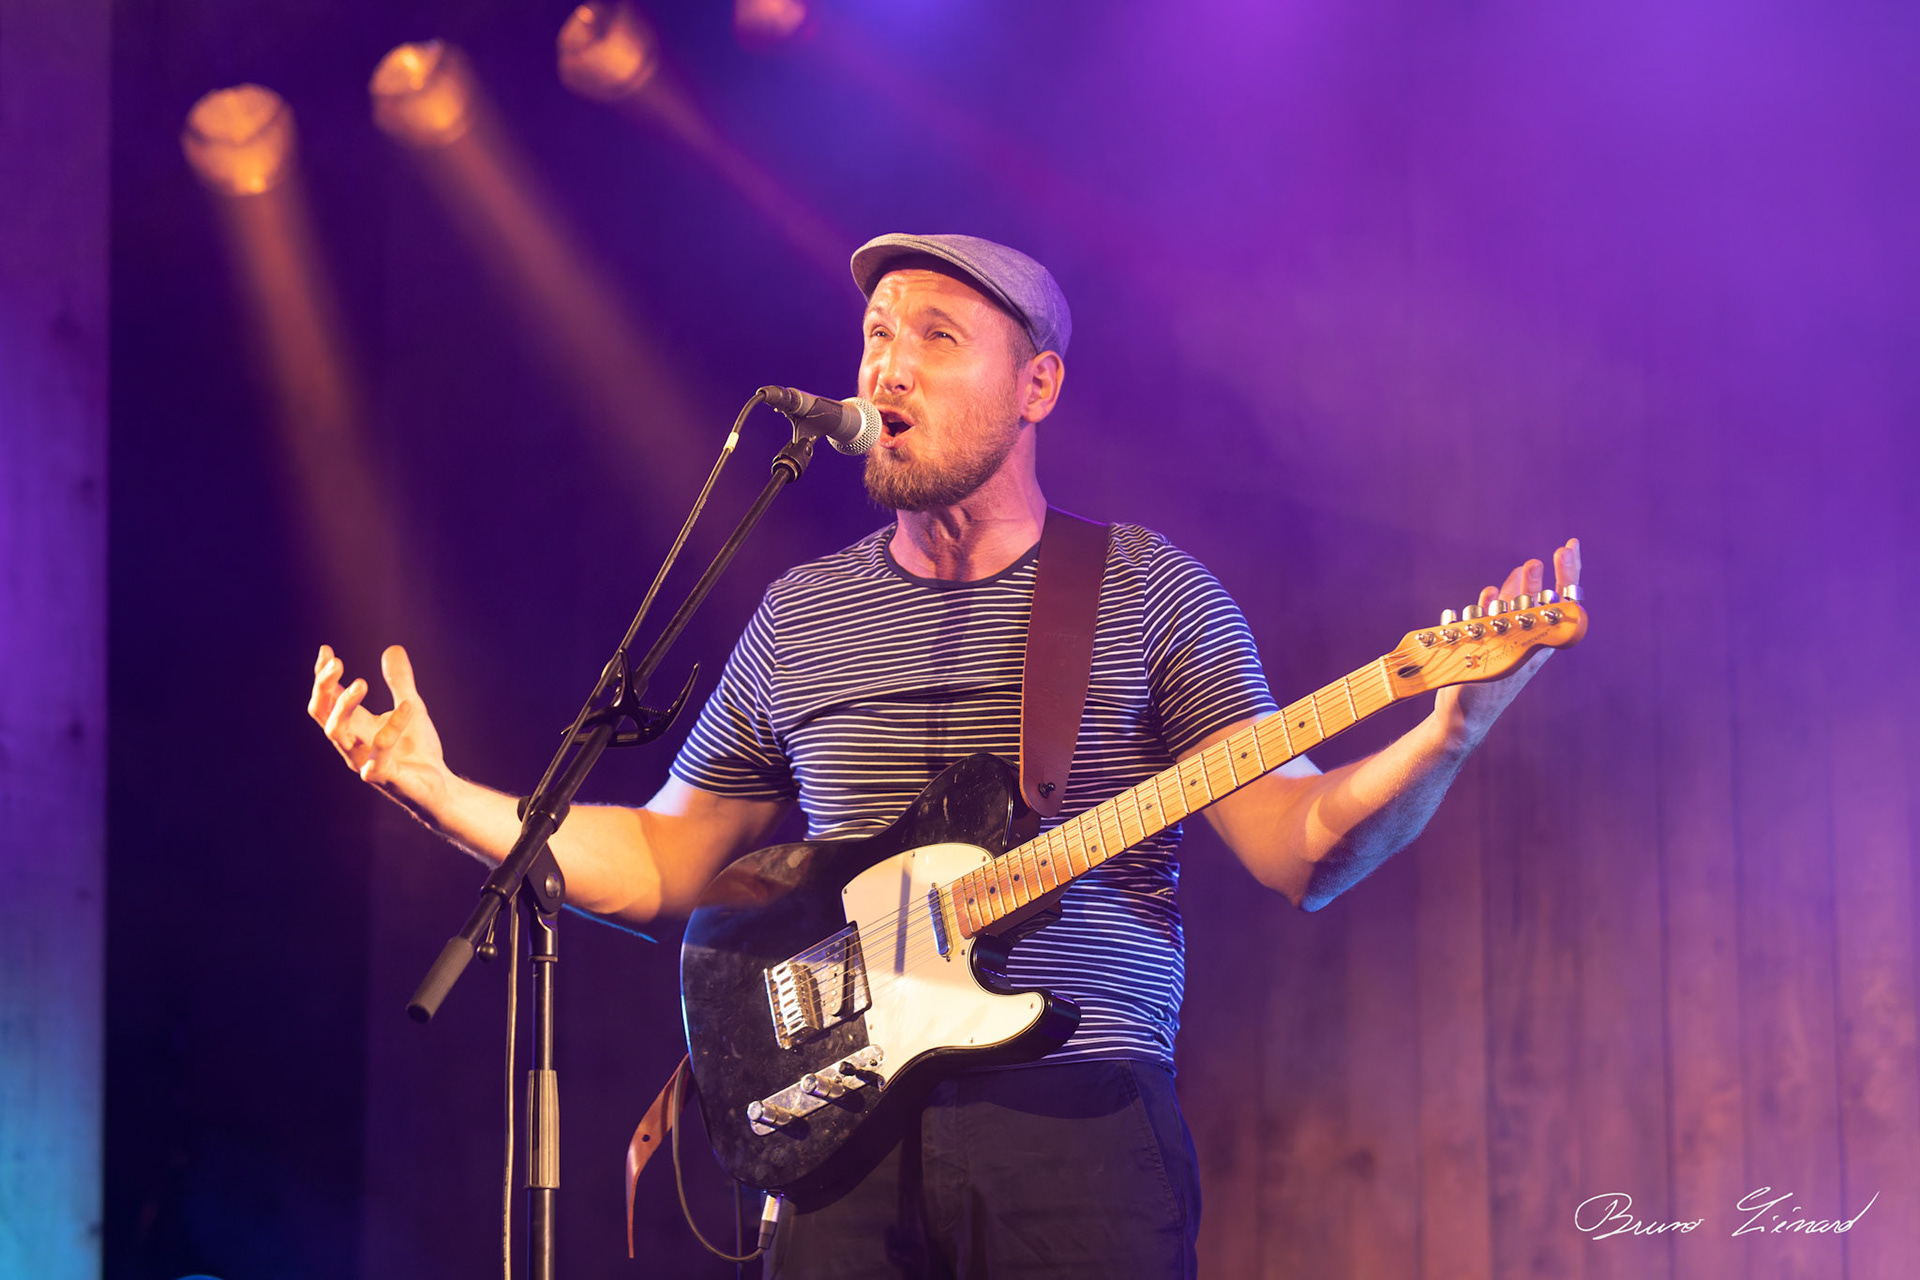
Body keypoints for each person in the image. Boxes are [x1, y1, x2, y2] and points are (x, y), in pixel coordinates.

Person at [309, 232, 1581, 1278]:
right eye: (875, 335)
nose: (888, 368)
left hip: (1076, 1129)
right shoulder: (802, 612)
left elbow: (1301, 846)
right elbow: (660, 853)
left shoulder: (1147, 596)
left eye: (935, 336)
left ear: (1039, 386)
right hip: (836, 1146)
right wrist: (439, 789)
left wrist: (1446, 729)